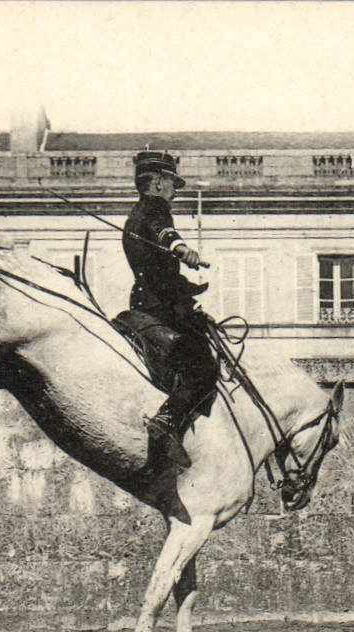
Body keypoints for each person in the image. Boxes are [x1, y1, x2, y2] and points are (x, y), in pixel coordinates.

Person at [124, 150, 215, 469]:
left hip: (144, 299)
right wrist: (182, 250)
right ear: (159, 183)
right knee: (203, 368)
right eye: (173, 183)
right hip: (163, 306)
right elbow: (165, 232)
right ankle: (166, 422)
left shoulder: (134, 214)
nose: (175, 191)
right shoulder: (155, 207)